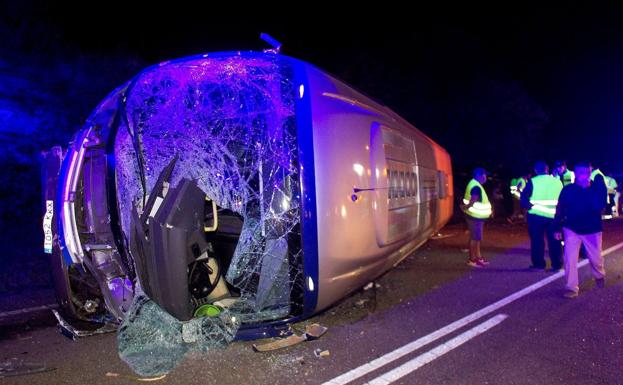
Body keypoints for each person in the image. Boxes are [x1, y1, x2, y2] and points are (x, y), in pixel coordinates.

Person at [554, 162, 607, 298]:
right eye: (580, 173)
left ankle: (599, 275)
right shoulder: (568, 190)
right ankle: (571, 287)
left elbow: (600, 206)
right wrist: (557, 227)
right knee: (570, 259)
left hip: (592, 229)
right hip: (571, 228)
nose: (584, 176)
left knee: (596, 258)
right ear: (576, 174)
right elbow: (560, 209)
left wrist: (597, 188)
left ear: (590, 173)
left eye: (587, 173)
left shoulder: (597, 188)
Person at [521, 161, 563, 271]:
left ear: (535, 170)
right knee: (554, 241)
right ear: (547, 169)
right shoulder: (557, 182)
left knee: (537, 241)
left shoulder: (533, 181)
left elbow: (523, 198)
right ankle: (557, 265)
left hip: (536, 216)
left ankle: (539, 265)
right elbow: (562, 200)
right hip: (554, 217)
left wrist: (529, 206)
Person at [461, 167, 492, 267]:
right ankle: (472, 259)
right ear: (479, 175)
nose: (485, 177)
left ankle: (478, 257)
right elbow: (474, 199)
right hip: (474, 216)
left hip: (476, 216)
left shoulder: (474, 184)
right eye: (484, 175)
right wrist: (466, 207)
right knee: (474, 238)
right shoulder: (476, 186)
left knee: (477, 238)